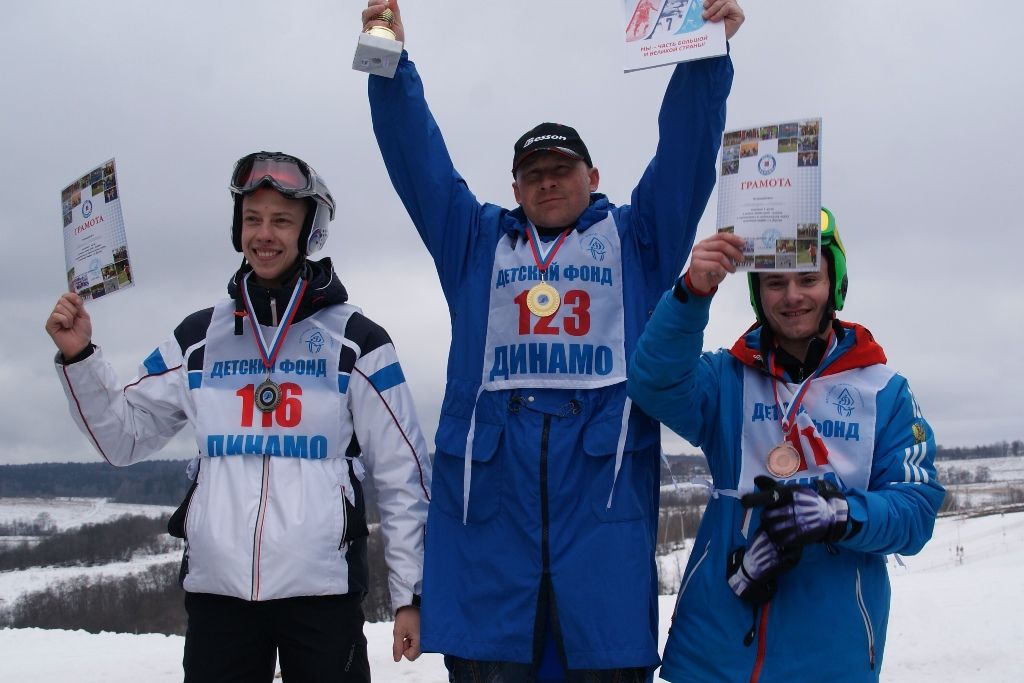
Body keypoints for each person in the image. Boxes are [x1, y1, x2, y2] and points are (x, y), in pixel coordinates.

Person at [361, 1, 744, 680]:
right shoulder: (474, 243)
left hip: (599, 547)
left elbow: (684, 156)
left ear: (592, 178)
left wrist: (705, 56)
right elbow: (418, 162)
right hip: (490, 551)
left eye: (562, 169)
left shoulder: (638, 240)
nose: (547, 181)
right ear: (514, 187)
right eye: (533, 173)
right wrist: (388, 63)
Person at [45, 151, 431, 683]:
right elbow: (123, 438)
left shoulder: (357, 341)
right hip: (218, 595)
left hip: (323, 594)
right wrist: (80, 357)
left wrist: (410, 594)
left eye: (282, 220)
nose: (264, 235)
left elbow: (402, 474)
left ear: (309, 232)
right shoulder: (199, 338)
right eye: (252, 219)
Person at [626, 209, 945, 681]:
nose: (793, 296)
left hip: (830, 659)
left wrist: (841, 515)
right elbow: (653, 384)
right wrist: (691, 293)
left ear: (834, 284)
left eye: (808, 279)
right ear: (758, 294)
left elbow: (915, 512)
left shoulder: (885, 391)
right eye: (775, 282)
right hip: (712, 653)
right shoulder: (727, 377)